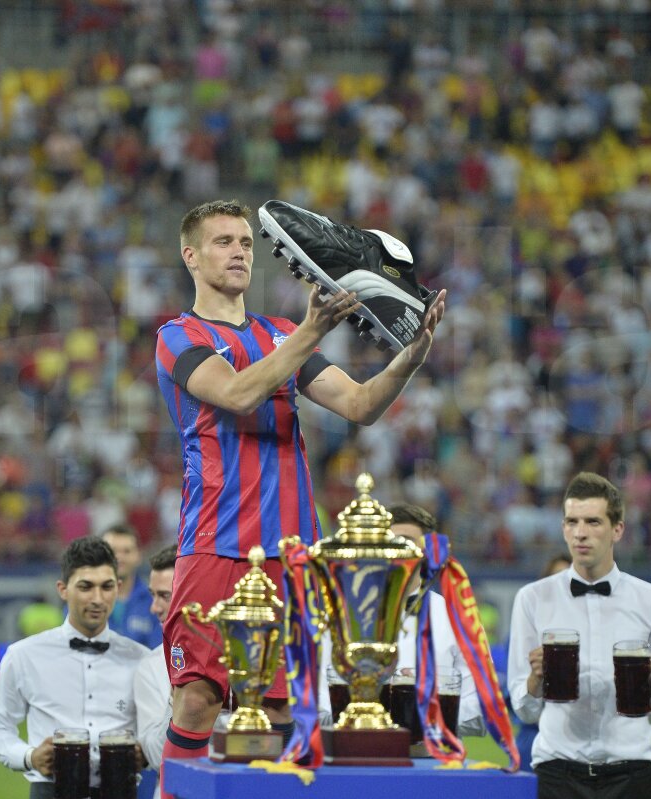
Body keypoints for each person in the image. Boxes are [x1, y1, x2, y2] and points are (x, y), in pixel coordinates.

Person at [153, 199, 447, 778]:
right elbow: (237, 394)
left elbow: (360, 405)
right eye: (223, 242)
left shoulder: (279, 333)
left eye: (244, 242)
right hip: (215, 544)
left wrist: (411, 358)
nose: (238, 251)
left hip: (294, 553)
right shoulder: (176, 336)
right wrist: (310, 333)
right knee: (199, 698)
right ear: (190, 256)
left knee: (283, 709)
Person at [507, 472, 651, 799]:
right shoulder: (532, 599)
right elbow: (525, 710)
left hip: (631, 777)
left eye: (593, 522)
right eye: (572, 522)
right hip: (557, 775)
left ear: (617, 529)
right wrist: (536, 681)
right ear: (563, 527)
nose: (580, 533)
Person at [0, 536, 149, 799]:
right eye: (86, 587)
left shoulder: (142, 659)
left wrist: (147, 752)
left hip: (122, 791)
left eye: (106, 587)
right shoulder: (24, 656)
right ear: (62, 589)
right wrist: (29, 756)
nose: (98, 598)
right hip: (50, 791)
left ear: (118, 588)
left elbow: (162, 730)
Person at [316, 504, 483, 737]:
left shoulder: (456, 617)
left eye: (405, 542)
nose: (393, 550)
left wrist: (426, 713)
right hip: (353, 751)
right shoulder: (340, 615)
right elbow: (318, 696)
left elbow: (479, 706)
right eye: (387, 541)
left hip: (431, 759)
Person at [514, 553, 573, 772]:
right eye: (555, 578)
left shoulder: (592, 632)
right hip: (533, 739)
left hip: (579, 745)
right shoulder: (527, 630)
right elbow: (514, 696)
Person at [133, 544, 177, 799]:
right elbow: (155, 753)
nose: (154, 607)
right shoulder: (150, 667)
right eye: (152, 595)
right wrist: (182, 694)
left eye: (165, 596)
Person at [103, 523, 162, 648]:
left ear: (138, 555)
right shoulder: (84, 599)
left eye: (126, 551)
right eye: (112, 551)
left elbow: (159, 653)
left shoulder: (155, 601)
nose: (119, 557)